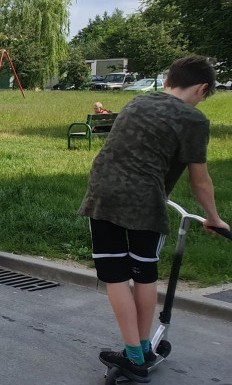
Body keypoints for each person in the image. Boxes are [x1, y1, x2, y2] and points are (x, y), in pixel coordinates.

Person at [79, 56, 228, 382]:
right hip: (146, 201)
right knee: (143, 273)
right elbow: (199, 180)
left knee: (115, 274)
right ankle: (138, 353)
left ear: (166, 81)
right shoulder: (194, 120)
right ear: (202, 89)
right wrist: (214, 218)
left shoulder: (136, 102)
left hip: (102, 192)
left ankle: (139, 351)